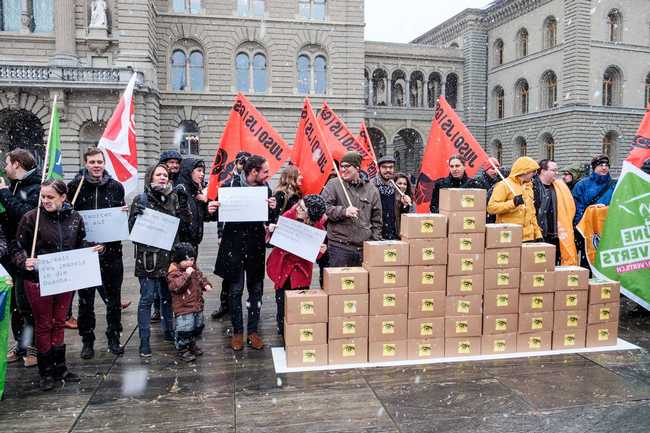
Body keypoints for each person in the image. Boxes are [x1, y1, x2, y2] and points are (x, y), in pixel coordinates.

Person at [15, 180, 100, 391]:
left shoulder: (75, 218)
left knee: (59, 321)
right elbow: (17, 247)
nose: (45, 201)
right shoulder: (31, 218)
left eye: (50, 197)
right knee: (44, 323)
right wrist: (24, 260)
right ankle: (46, 371)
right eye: (43, 197)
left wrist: (93, 249)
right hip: (38, 280)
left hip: (65, 278)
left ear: (63, 197)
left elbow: (80, 243)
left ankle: (60, 367)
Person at [67, 147, 127, 359]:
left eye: (99, 162)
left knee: (113, 300)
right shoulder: (74, 186)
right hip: (85, 254)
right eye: (92, 162)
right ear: (86, 163)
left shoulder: (116, 187)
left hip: (111, 253)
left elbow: (118, 220)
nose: (96, 166)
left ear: (104, 163)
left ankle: (114, 337)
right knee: (86, 301)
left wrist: (123, 214)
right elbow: (69, 219)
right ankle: (87, 340)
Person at [213, 155, 277, 351]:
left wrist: (273, 209)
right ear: (253, 172)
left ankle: (253, 330)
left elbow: (270, 219)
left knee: (256, 290)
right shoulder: (229, 185)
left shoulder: (265, 188)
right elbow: (217, 212)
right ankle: (237, 331)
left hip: (255, 245)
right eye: (265, 171)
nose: (268, 175)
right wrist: (212, 209)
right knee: (235, 290)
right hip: (233, 245)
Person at [129, 164, 190, 358]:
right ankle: (144, 340)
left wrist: (184, 202)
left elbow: (185, 225)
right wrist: (135, 217)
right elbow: (132, 232)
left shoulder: (174, 197)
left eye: (165, 174)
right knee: (147, 299)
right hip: (149, 259)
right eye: (158, 174)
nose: (163, 177)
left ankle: (169, 331)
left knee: (167, 297)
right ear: (150, 178)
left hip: (169, 257)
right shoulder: (142, 199)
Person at [0, 148, 40, 368]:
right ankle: (21, 344)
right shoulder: (13, 186)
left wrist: (4, 194)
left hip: (28, 253)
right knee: (14, 304)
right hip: (9, 254)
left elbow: (26, 216)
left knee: (27, 303)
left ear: (16, 164)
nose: (5, 168)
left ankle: (32, 345)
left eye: (7, 163)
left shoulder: (35, 186)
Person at [266, 195, 327, 337]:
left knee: (299, 304)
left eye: (302, 209)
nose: (297, 208)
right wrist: (271, 230)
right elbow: (273, 241)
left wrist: (320, 252)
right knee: (281, 303)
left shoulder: (318, 227)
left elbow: (314, 254)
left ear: (310, 215)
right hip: (283, 267)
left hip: (301, 272)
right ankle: (282, 331)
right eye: (299, 205)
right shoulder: (289, 215)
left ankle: (296, 334)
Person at [321, 151, 382, 267]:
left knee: (361, 284)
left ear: (357, 168)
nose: (343, 170)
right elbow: (325, 208)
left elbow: (377, 220)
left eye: (347, 166)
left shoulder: (372, 190)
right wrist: (344, 212)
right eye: (341, 166)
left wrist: (374, 242)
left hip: (364, 248)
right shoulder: (333, 185)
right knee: (340, 283)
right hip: (339, 247)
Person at [211, 151, 251, 322]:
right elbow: (222, 213)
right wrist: (220, 234)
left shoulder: (255, 186)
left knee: (250, 276)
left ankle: (251, 304)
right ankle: (225, 304)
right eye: (241, 163)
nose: (243, 166)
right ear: (236, 164)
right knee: (229, 274)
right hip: (230, 235)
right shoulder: (227, 185)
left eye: (247, 163)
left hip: (248, 236)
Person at [167, 242, 212, 362]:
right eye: (186, 260)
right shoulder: (174, 273)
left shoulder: (194, 269)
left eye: (192, 259)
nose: (190, 263)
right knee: (184, 328)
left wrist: (205, 284)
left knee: (197, 325)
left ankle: (191, 343)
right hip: (183, 307)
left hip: (196, 304)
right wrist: (187, 274)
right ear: (178, 260)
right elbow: (176, 286)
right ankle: (182, 348)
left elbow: (200, 277)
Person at [487, 157, 542, 242]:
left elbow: (532, 213)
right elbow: (491, 208)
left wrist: (538, 234)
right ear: (525, 171)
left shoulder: (528, 187)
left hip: (528, 238)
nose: (535, 174)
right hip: (509, 236)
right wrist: (513, 203)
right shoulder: (503, 185)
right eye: (533, 171)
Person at [176, 158, 218, 253]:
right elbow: (183, 221)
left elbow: (200, 216)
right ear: (188, 172)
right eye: (199, 171)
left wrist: (208, 209)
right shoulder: (181, 191)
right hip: (182, 246)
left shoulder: (195, 192)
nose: (202, 174)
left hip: (193, 244)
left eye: (203, 171)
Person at [373, 156, 412, 240]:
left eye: (390, 167)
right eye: (384, 167)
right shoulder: (372, 185)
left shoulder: (395, 187)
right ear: (379, 168)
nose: (388, 170)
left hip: (393, 234)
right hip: (376, 235)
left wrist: (404, 205)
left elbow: (400, 214)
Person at [572, 154, 616, 226]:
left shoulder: (615, 184)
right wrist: (579, 227)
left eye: (606, 165)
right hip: (588, 226)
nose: (604, 168)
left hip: (609, 226)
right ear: (594, 167)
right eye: (601, 165)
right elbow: (577, 208)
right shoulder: (582, 185)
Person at [532, 159, 561, 257]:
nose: (556, 173)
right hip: (538, 234)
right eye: (553, 170)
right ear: (543, 171)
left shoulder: (559, 187)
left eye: (557, 170)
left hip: (555, 234)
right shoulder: (532, 186)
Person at [474, 157, 503, 223]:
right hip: (484, 218)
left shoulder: (500, 181)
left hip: (497, 217)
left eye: (497, 168)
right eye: (492, 169)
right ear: (486, 170)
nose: (495, 171)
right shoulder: (478, 182)